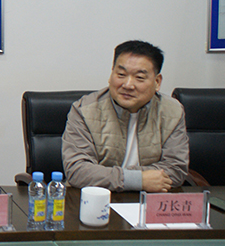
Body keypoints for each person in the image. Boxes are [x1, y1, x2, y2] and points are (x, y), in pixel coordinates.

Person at [62, 40, 189, 192]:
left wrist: (107, 175)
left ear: (157, 82)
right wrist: (138, 180)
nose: (128, 85)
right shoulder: (84, 110)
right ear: (111, 75)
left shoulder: (172, 111)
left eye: (139, 77)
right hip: (95, 199)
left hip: (149, 201)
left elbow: (176, 169)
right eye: (121, 75)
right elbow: (77, 171)